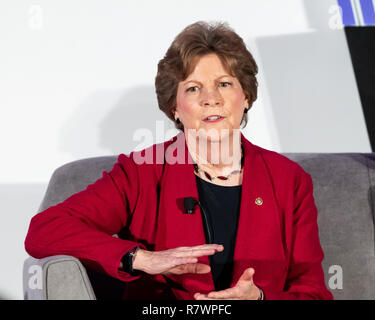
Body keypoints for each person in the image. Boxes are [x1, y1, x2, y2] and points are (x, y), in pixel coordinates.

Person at [25, 21, 333, 300]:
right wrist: (139, 258)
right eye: (194, 88)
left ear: (247, 96)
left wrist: (259, 300)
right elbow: (45, 230)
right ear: (175, 106)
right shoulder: (142, 172)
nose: (210, 98)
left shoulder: (288, 179)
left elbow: (314, 293)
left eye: (224, 84)